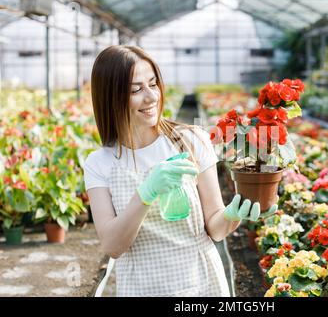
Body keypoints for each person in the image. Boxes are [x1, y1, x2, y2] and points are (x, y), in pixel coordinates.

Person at [83, 45, 277, 297]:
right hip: (140, 286)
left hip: (200, 282)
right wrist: (145, 194)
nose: (151, 97)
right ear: (109, 97)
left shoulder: (190, 140)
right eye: (136, 90)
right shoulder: (100, 163)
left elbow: (216, 228)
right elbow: (112, 245)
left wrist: (234, 213)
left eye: (153, 84)